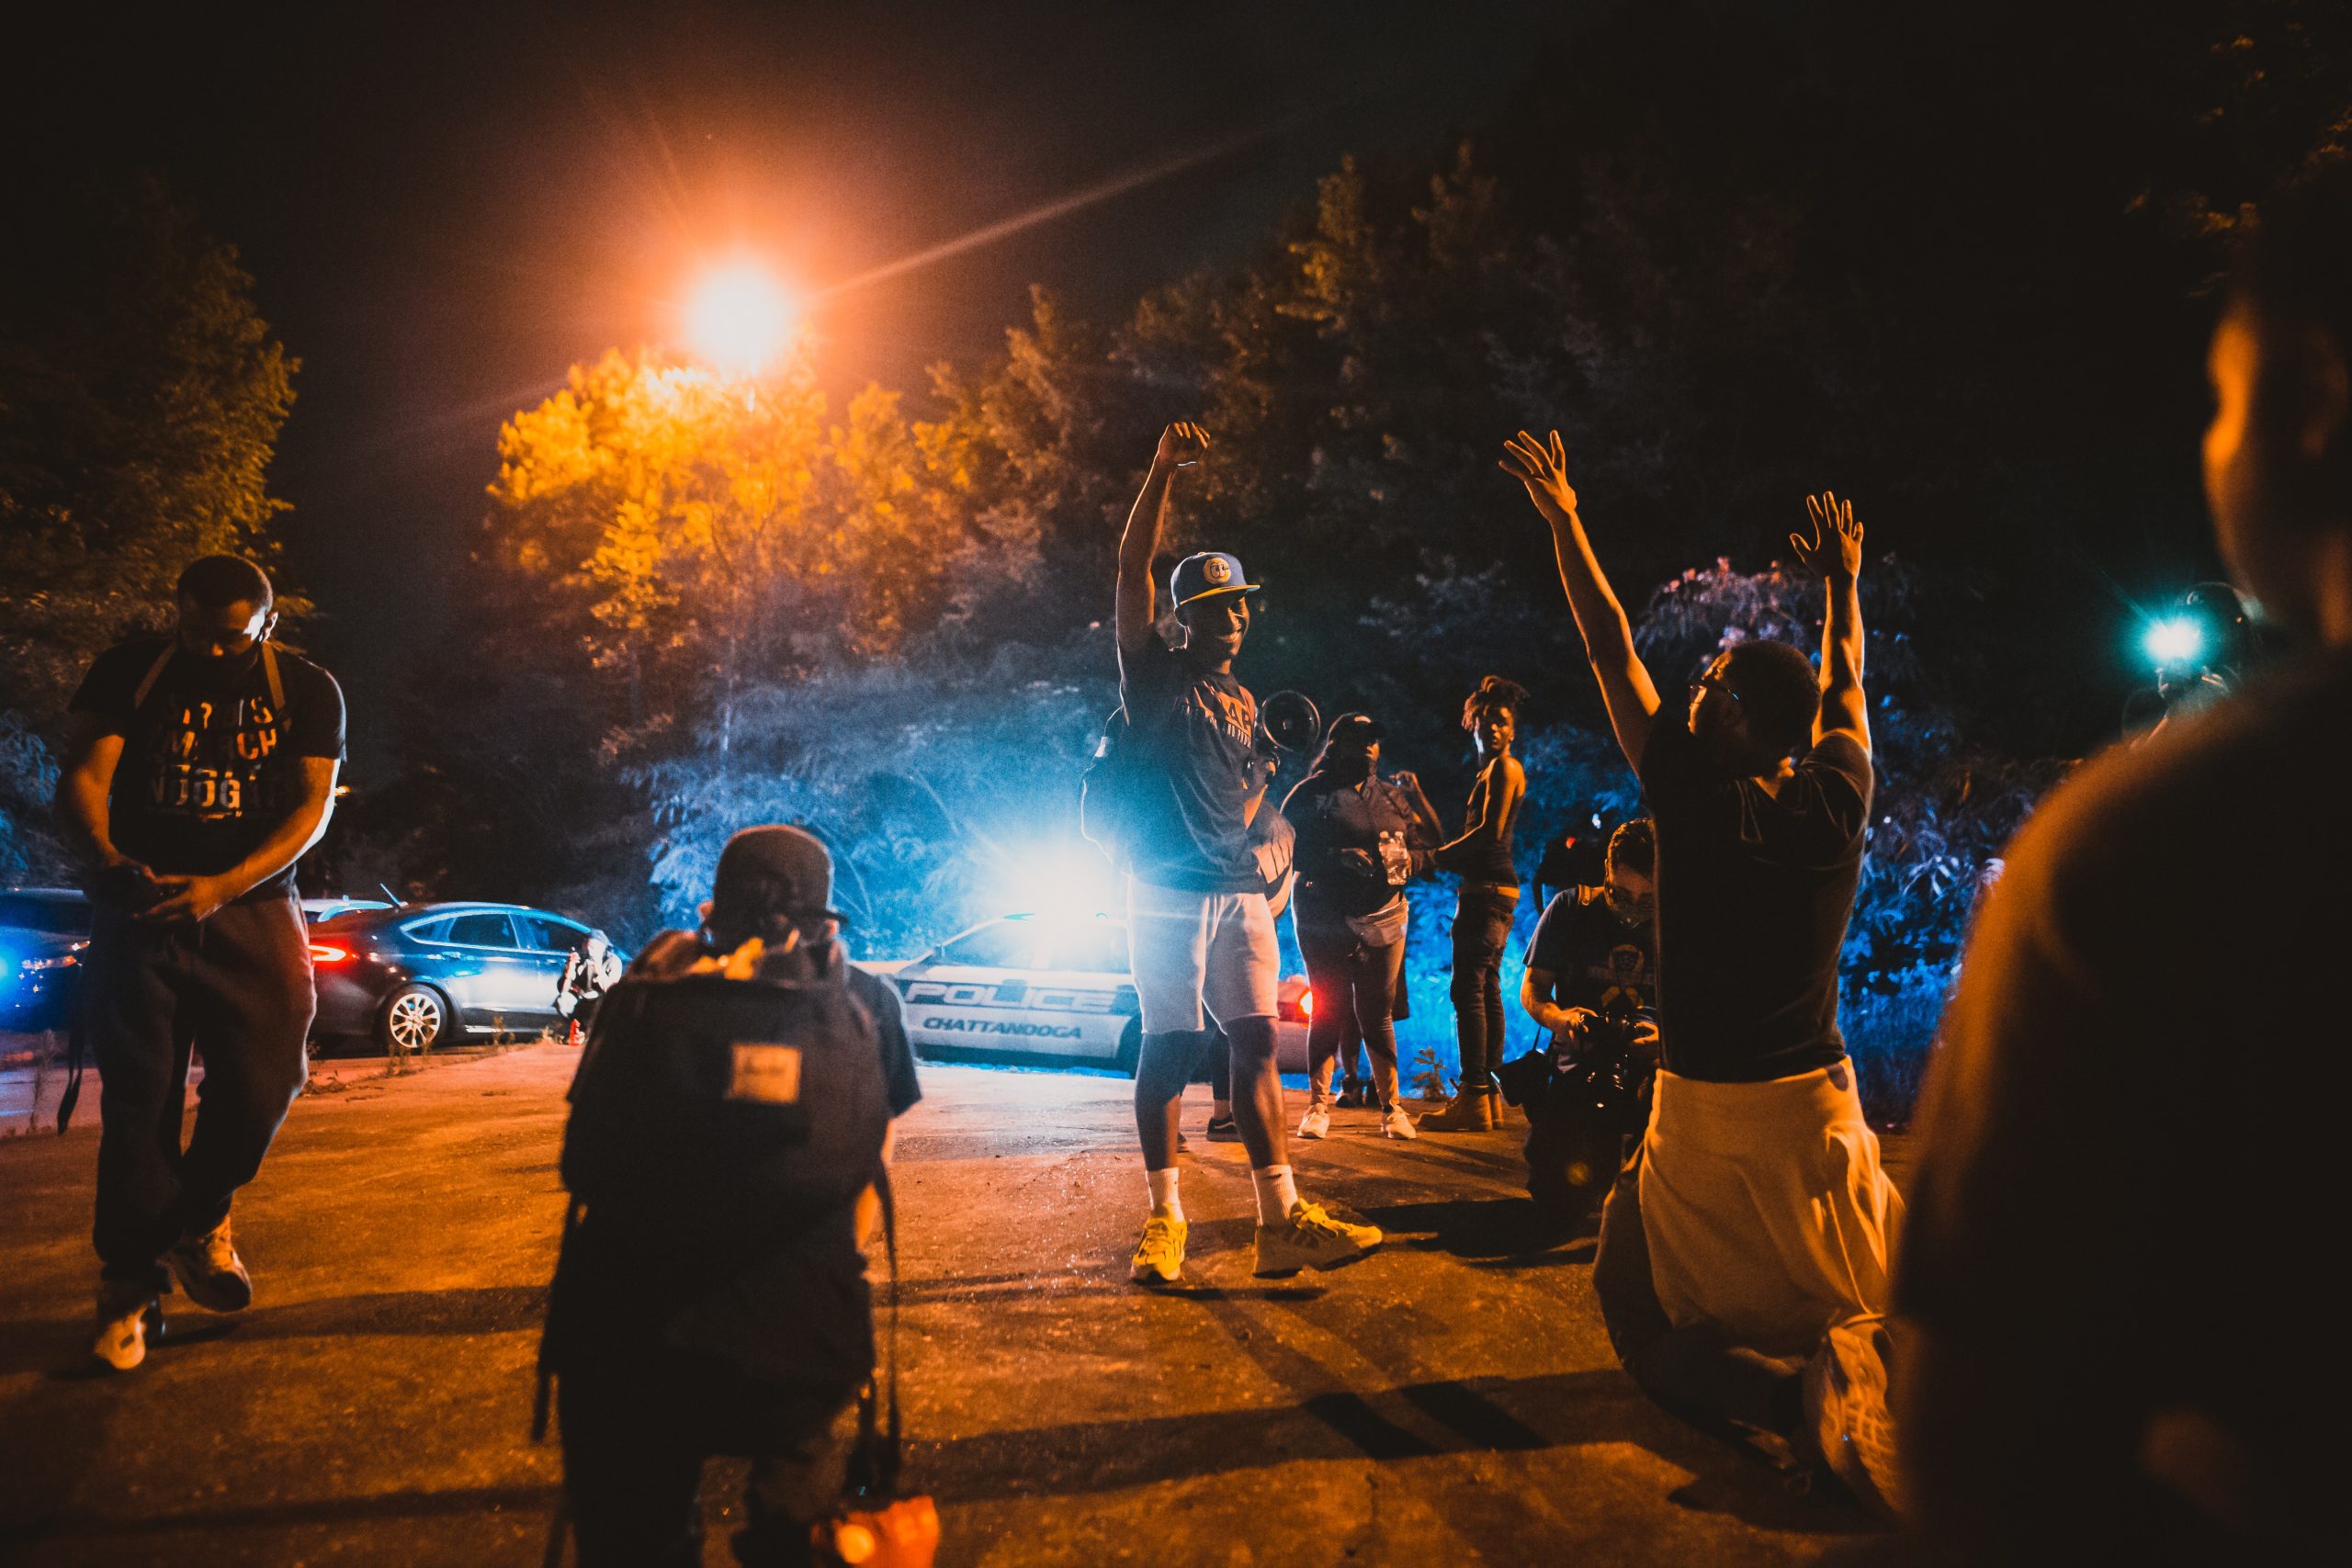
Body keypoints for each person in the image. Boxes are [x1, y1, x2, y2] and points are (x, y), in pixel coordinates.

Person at [1892, 157, 2352, 1564]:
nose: (2214, 446)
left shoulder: (2160, 848)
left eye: (2223, 398)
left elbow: (1970, 1443)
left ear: (2316, 402)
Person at [1501, 429, 1902, 1510]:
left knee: (1633, 1311)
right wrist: (1843, 588)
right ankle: (1857, 1370)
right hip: (1818, 1106)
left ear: (1730, 718)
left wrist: (1565, 520)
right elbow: (1847, 684)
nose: (1695, 683)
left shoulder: (1688, 792)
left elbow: (1604, 641)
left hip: (1709, 1111)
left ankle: (1793, 1408)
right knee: (1837, 1286)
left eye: (1714, 679)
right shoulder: (1835, 803)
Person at [546, 825, 922, 1568]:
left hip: (627, 1329)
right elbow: (870, 1163)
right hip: (799, 1335)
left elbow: (587, 1154)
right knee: (797, 1535)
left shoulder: (651, 984)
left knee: (637, 1539)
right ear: (824, 912)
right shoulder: (861, 996)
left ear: (713, 903)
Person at [57, 556, 345, 1372]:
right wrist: (107, 858)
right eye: (195, 634)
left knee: (266, 1083)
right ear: (175, 615)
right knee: (140, 1105)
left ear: (266, 624)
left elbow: (310, 809)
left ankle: (200, 1214)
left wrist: (223, 885)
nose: (211, 654)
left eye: (231, 639)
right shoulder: (131, 672)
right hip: (140, 905)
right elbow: (82, 773)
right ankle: (129, 1289)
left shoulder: (307, 689)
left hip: (251, 905)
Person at [1113, 421, 1381, 1286]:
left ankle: (1280, 1222)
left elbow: (1240, 804)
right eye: (1219, 604)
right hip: (1163, 890)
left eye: (1242, 603)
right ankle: (1165, 1220)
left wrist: (1270, 797)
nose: (1236, 613)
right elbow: (1129, 573)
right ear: (1187, 617)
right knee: (1170, 1048)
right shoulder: (1155, 675)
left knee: (1260, 1041)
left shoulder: (1242, 698)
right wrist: (1160, 472)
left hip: (1237, 891)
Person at [1282, 712, 1433, 1141]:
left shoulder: (1390, 796)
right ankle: (1317, 1107)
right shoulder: (1310, 794)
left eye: (1374, 740)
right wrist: (1337, 858)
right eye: (1358, 739)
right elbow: (1283, 849)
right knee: (1328, 1007)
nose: (1369, 746)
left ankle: (1392, 1109)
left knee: (1377, 1011)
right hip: (1322, 914)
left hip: (1385, 913)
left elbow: (1422, 846)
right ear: (1337, 745)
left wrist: (1403, 865)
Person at [1514, 818, 1659, 1214]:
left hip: (1653, 1065)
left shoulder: (1678, 922)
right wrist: (1560, 1019)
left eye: (1647, 900)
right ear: (1607, 872)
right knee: (1561, 1194)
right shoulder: (1570, 908)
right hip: (1578, 1056)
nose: (1632, 910)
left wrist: (1662, 1038)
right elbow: (1533, 990)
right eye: (1620, 894)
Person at [1419, 676, 1529, 1133]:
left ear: (1513, 730)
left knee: (1469, 992)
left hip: (1487, 892)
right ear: (1473, 724)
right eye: (1486, 721)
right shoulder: (1488, 772)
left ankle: (1473, 1096)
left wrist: (1435, 858)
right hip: (1492, 892)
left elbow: (1488, 832)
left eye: (1502, 722)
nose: (1493, 729)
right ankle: (1489, 1099)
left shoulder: (1505, 768)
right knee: (1483, 990)